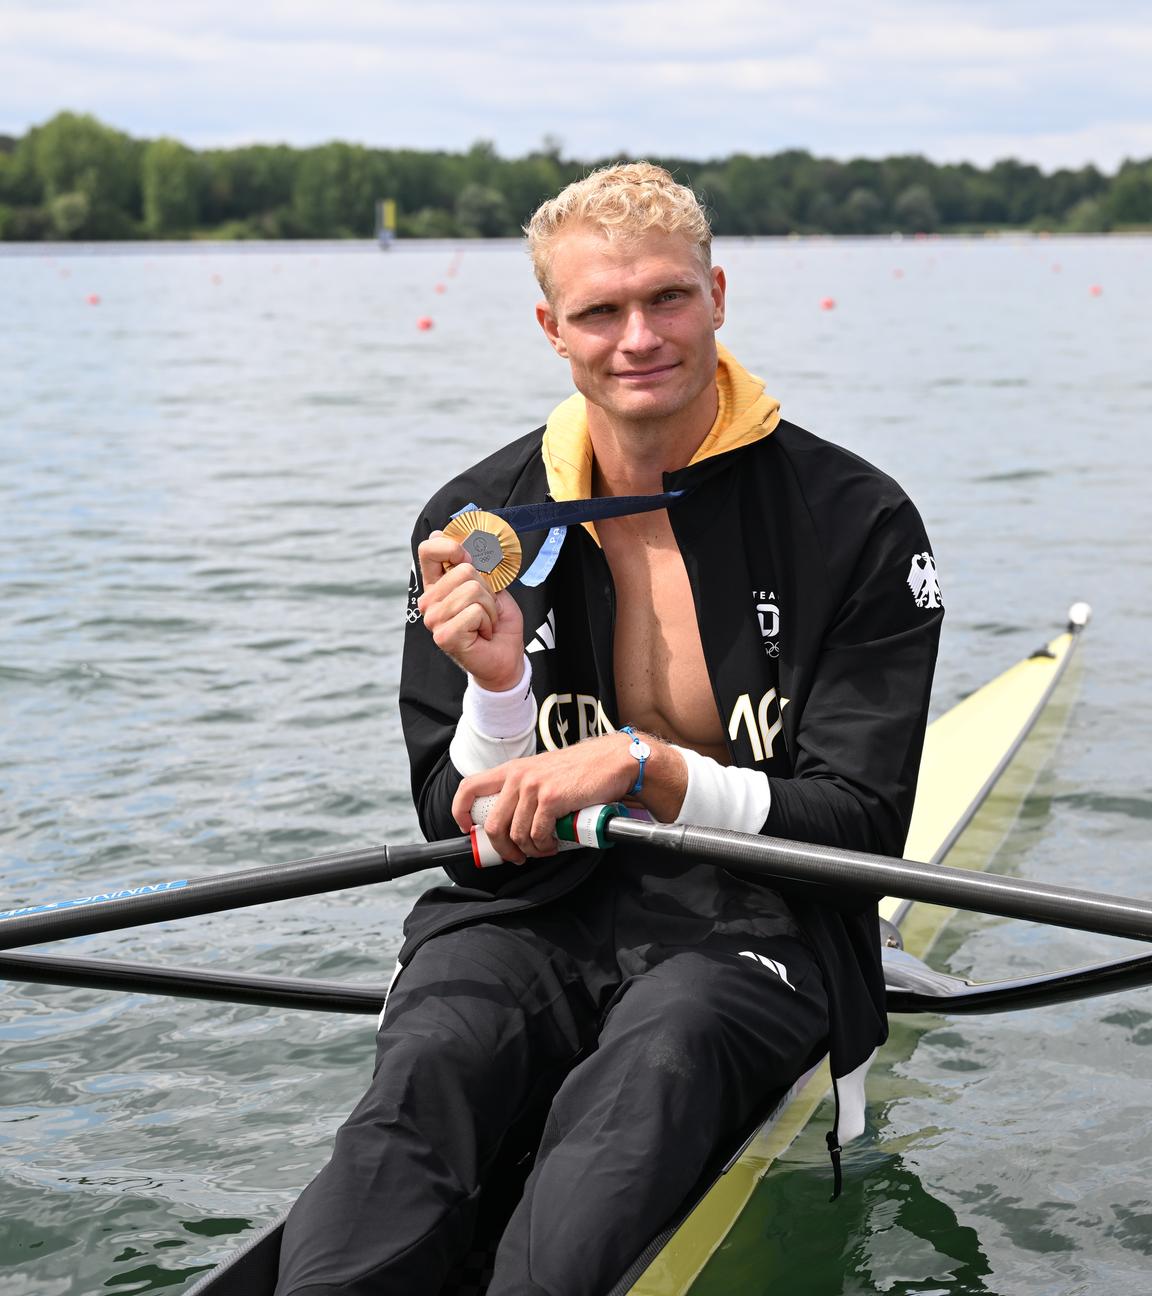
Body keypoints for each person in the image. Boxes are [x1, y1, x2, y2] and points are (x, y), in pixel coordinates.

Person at [274, 163, 943, 1296]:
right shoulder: (471, 526)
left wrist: (648, 766)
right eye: (599, 311)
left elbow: (863, 828)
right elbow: (454, 828)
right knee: (431, 1060)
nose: (639, 337)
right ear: (552, 329)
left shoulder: (857, 520)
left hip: (761, 916)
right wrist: (497, 696)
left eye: (667, 297)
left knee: (662, 1053)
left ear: (717, 295)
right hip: (531, 908)